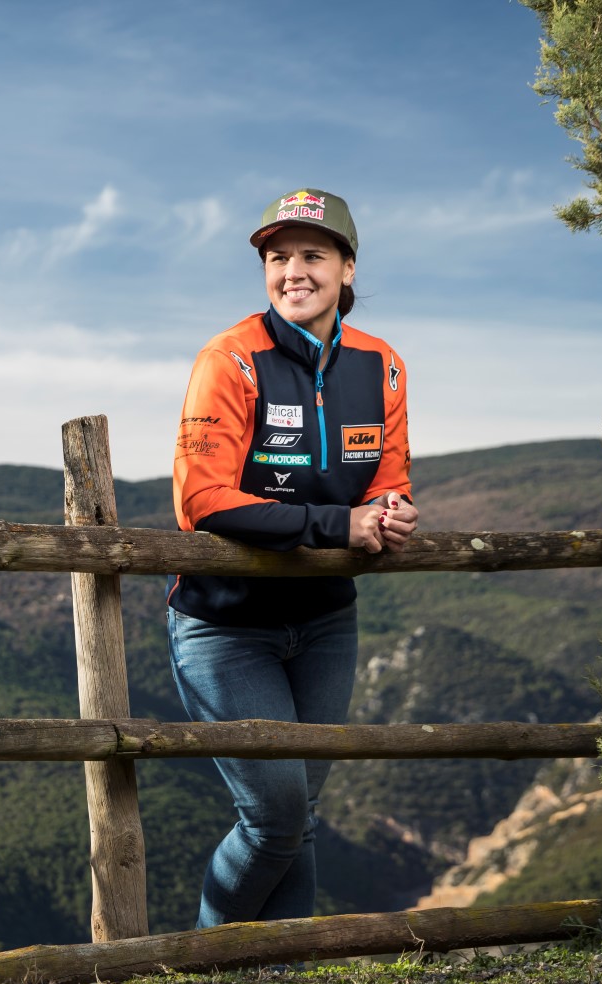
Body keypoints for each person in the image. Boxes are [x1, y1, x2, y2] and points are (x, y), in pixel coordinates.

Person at [167, 187, 417, 927]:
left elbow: (390, 479)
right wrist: (339, 525)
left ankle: (287, 974)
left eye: (312, 255)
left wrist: (394, 512)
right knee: (274, 815)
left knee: (300, 812)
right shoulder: (230, 359)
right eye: (278, 258)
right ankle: (206, 965)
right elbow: (202, 503)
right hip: (225, 625)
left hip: (325, 622)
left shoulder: (384, 365)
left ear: (346, 268)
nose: (293, 272)